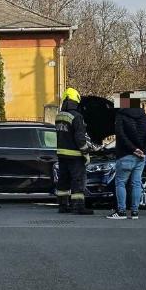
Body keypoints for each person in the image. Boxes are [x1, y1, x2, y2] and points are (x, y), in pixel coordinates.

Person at [107, 94, 146, 220]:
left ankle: (121, 211)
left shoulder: (121, 116)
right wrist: (144, 150)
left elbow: (120, 135)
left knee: (120, 183)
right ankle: (135, 212)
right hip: (141, 157)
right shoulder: (145, 117)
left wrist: (133, 149)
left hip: (125, 155)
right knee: (136, 183)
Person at [55, 87, 94, 215]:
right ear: (75, 100)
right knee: (78, 181)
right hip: (75, 155)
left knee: (63, 181)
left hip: (62, 154)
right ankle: (78, 207)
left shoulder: (59, 116)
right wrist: (86, 153)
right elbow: (79, 138)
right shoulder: (77, 117)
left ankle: (63, 206)